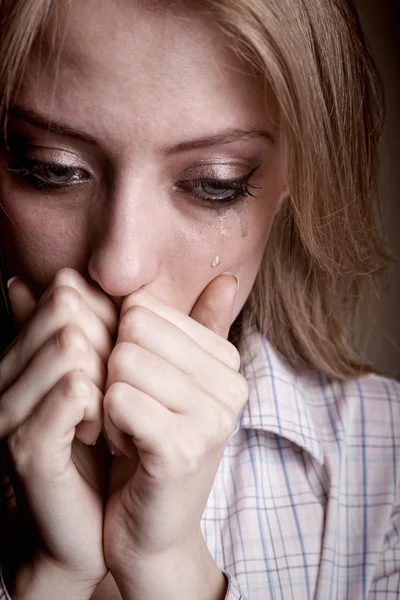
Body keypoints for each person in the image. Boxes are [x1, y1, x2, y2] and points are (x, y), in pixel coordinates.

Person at [0, 0, 399, 598]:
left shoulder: (386, 471)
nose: (119, 268)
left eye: (216, 182)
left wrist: (170, 571)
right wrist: (49, 578)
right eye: (51, 169)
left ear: (295, 173)